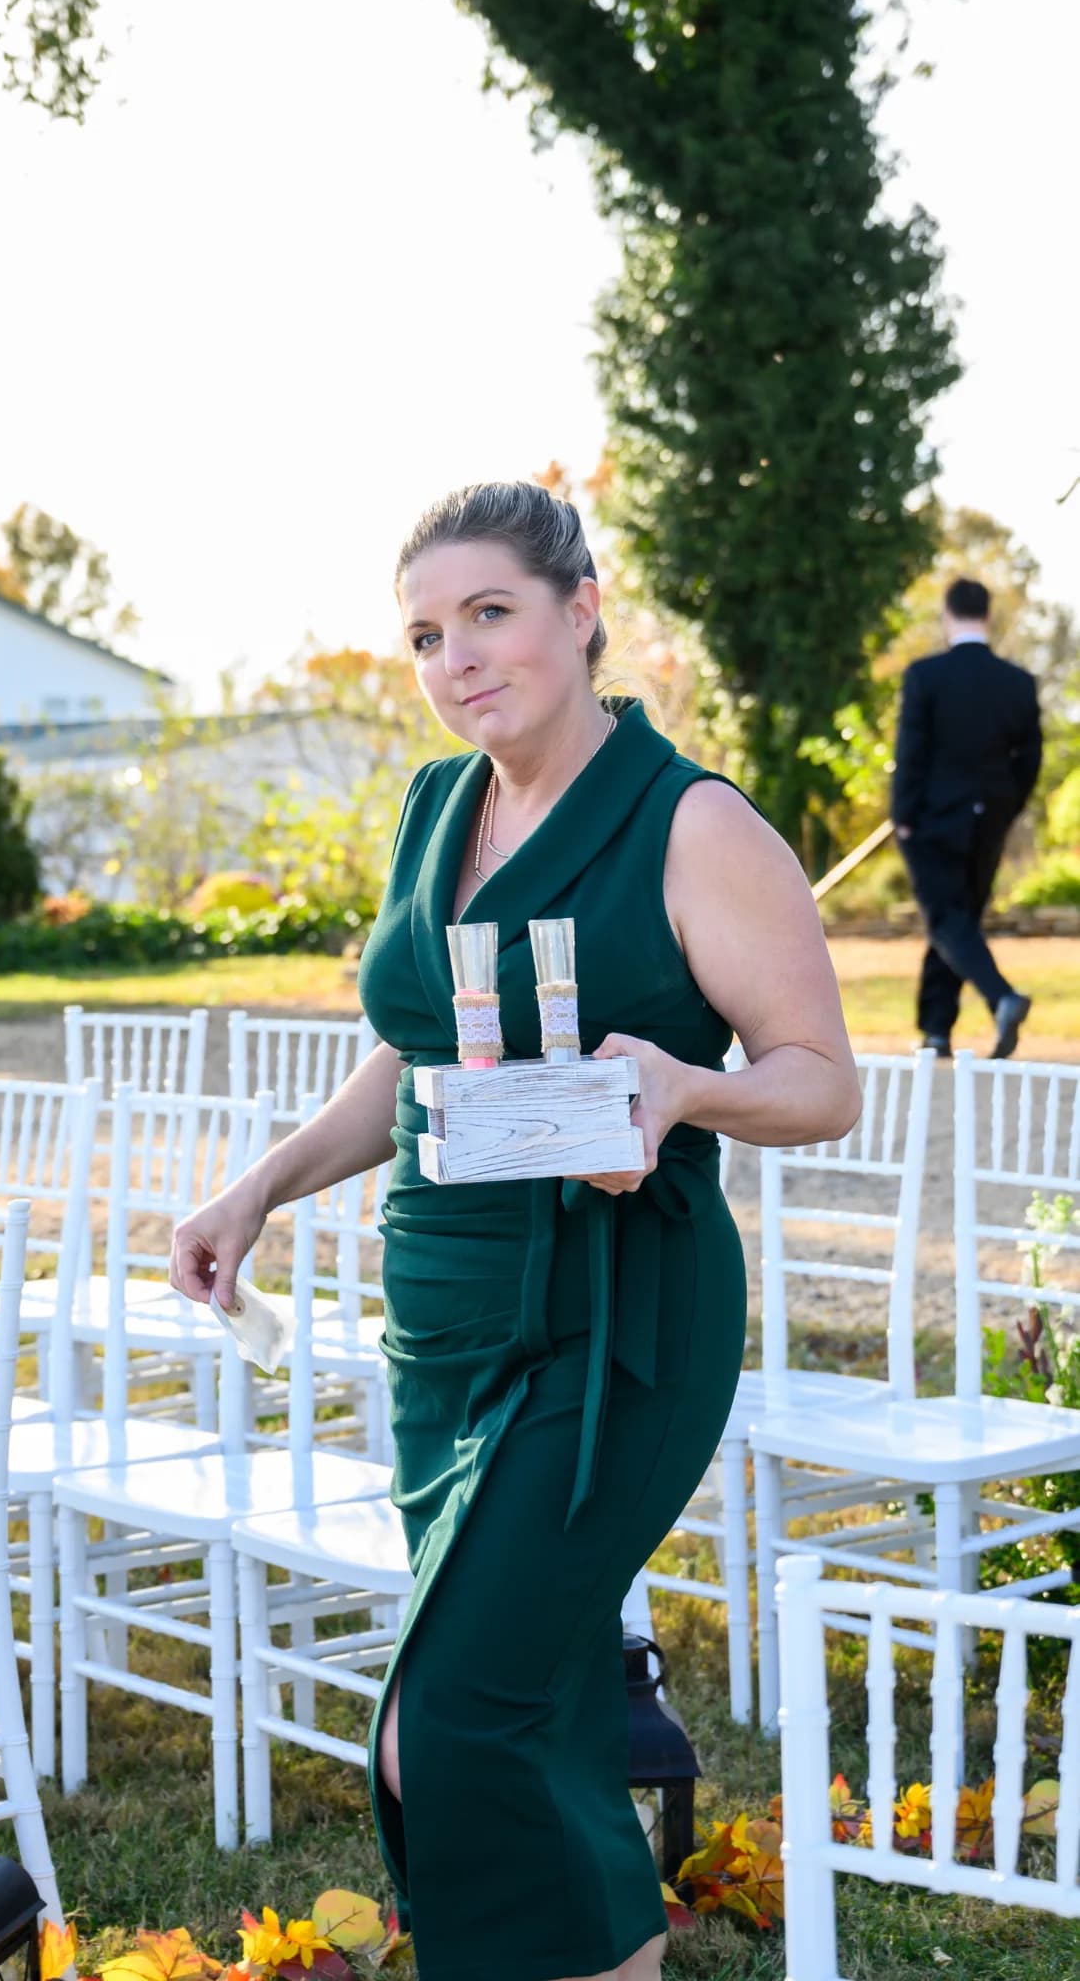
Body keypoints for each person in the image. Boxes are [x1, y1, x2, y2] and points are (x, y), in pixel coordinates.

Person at [169, 481, 860, 1981]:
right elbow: (414, 1052)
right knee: (529, 1712)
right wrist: (262, 1186)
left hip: (617, 1324)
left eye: (490, 614)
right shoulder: (437, 809)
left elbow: (823, 1083)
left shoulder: (693, 824)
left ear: (582, 609)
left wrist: (681, 1088)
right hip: (444, 1332)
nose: (457, 659)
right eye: (426, 633)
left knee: (451, 1721)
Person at [892, 577, 1042, 1058]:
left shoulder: (926, 676)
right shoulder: (1017, 682)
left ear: (947, 614)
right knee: (959, 923)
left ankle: (1003, 997)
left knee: (945, 922)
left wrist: (903, 815)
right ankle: (936, 1031)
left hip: (933, 820)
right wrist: (1006, 807)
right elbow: (1030, 759)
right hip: (989, 821)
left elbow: (911, 752)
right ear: (988, 616)